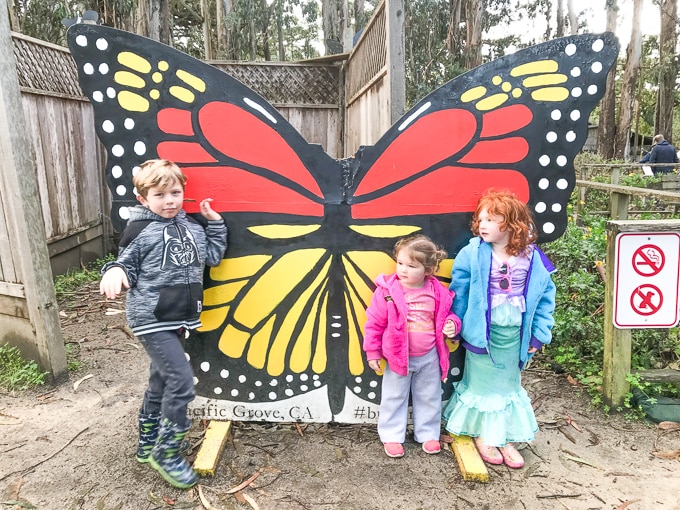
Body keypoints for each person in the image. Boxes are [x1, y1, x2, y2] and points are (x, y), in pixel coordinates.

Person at [99, 159, 227, 488]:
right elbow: (122, 263)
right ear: (143, 199)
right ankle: (167, 452)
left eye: (175, 192)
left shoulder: (194, 227)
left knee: (160, 381)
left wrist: (214, 224)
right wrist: (114, 272)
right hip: (151, 318)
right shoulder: (140, 231)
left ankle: (149, 443)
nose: (169, 200)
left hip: (180, 318)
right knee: (182, 382)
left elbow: (212, 257)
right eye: (160, 194)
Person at [442, 189, 555, 469]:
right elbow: (460, 292)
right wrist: (455, 323)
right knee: (483, 386)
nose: (482, 225)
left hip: (516, 334)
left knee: (508, 386)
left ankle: (503, 436)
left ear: (513, 224)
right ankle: (485, 436)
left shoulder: (532, 257)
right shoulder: (472, 253)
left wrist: (539, 334)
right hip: (483, 334)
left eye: (491, 219)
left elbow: (545, 297)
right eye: (480, 220)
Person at [363, 234, 461, 458]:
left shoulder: (437, 291)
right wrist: (373, 351)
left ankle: (427, 434)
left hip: (430, 356)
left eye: (411, 265)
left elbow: (450, 316)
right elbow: (374, 323)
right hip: (398, 356)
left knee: (429, 395)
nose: (403, 270)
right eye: (400, 263)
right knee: (394, 396)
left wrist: (452, 325)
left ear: (428, 270)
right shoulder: (387, 291)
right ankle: (392, 435)